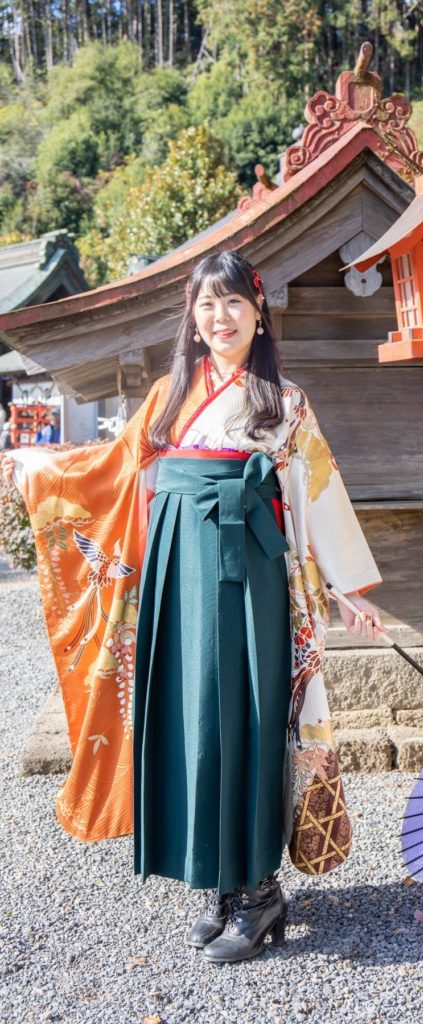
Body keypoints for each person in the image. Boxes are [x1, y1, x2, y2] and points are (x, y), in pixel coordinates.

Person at [0, 249, 385, 965]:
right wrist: (36, 464)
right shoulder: (170, 394)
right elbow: (113, 468)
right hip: (177, 571)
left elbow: (317, 493)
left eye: (234, 302)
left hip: (250, 573)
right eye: (207, 304)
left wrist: (348, 587)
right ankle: (217, 878)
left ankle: (259, 888)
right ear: (193, 314)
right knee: (192, 716)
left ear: (259, 310)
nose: (220, 317)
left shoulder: (283, 401)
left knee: (248, 717)